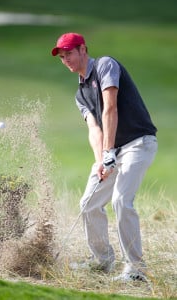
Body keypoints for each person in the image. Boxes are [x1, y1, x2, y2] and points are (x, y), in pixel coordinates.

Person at [51, 32, 158, 282]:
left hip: (138, 143)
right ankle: (102, 261)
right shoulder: (80, 95)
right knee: (88, 203)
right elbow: (94, 129)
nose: (66, 59)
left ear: (83, 49)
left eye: (69, 53)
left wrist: (110, 152)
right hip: (113, 151)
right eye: (62, 56)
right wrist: (102, 159)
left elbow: (110, 107)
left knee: (121, 200)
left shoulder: (105, 65)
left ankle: (136, 270)